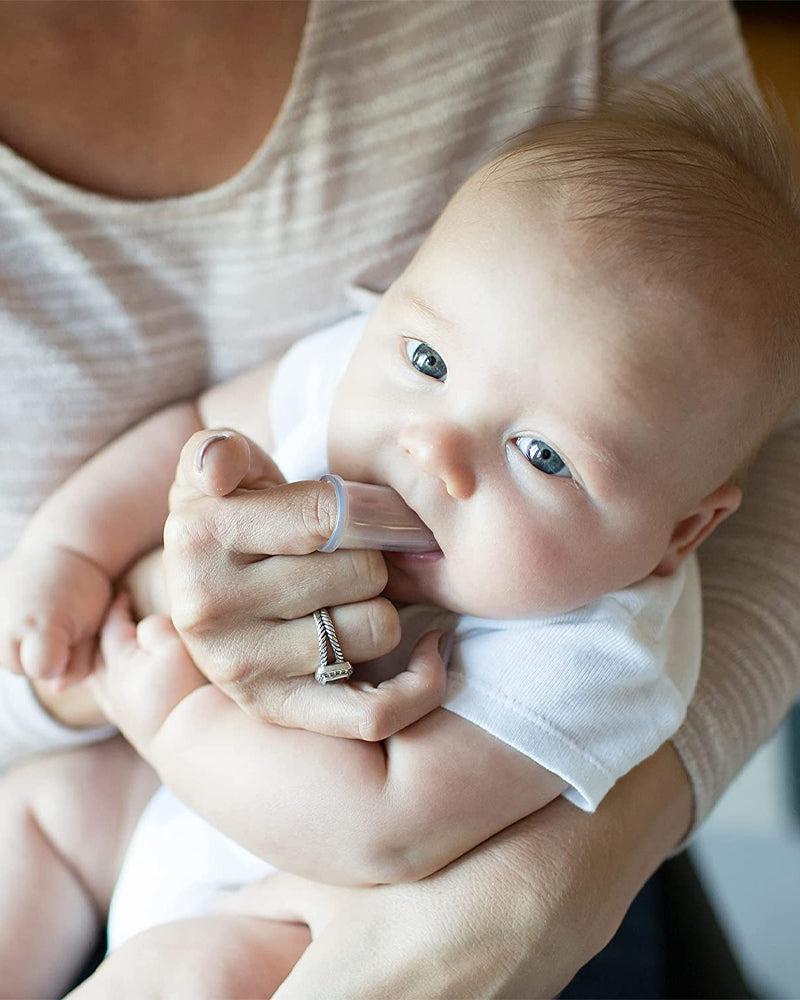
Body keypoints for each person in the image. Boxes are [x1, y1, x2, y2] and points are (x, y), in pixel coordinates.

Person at [0, 2, 797, 997]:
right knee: (39, 811)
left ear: (676, 535)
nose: (436, 447)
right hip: (145, 790)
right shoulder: (392, 361)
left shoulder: (597, 653)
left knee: (194, 975)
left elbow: (380, 827)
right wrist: (68, 556)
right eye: (422, 359)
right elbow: (192, 422)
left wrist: (166, 713)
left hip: (301, 905)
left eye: (541, 454)